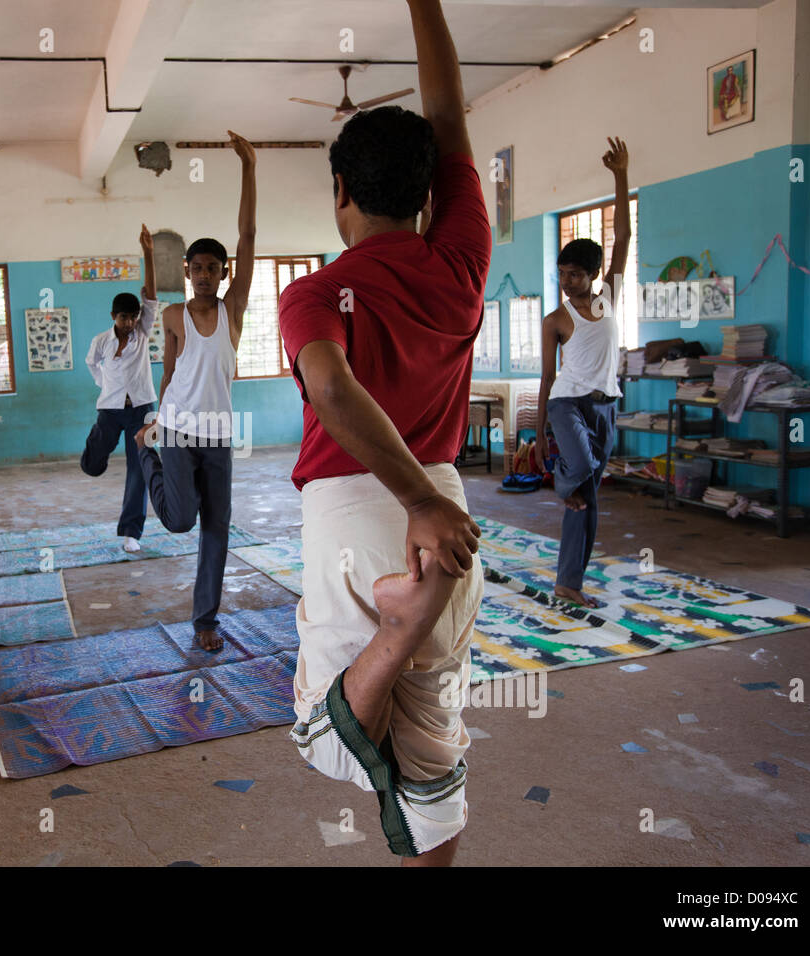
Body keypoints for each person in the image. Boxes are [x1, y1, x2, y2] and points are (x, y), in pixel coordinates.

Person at [277, 0, 489, 865]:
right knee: (431, 741)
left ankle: (395, 628)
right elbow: (449, 117)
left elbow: (329, 385)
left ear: (339, 193)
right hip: (448, 511)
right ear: (434, 192)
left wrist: (411, 505)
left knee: (324, 734)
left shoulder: (315, 294)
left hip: (365, 518)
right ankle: (413, 631)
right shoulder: (462, 259)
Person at [134, 131, 256, 653]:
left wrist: (249, 168)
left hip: (220, 435)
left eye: (213, 268)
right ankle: (146, 458)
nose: (204, 275)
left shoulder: (233, 310)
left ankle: (205, 620)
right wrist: (156, 424)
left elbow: (248, 235)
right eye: (196, 268)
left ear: (224, 273)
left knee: (217, 529)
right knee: (181, 520)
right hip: (179, 430)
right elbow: (169, 371)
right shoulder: (174, 314)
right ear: (186, 273)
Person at [533, 138, 631, 608]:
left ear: (592, 274)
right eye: (562, 273)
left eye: (574, 274)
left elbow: (623, 240)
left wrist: (620, 176)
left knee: (588, 503)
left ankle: (568, 582)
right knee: (582, 473)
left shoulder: (608, 298)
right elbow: (547, 378)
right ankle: (564, 483)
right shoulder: (555, 319)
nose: (567, 281)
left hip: (605, 406)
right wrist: (536, 431)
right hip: (566, 404)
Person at [80, 225, 159, 552]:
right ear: (114, 316)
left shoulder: (142, 333)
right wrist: (105, 385)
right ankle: (92, 459)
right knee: (95, 458)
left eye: (134, 317)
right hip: (110, 409)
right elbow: (91, 364)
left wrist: (149, 253)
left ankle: (131, 533)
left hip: (142, 408)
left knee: (140, 467)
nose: (129, 322)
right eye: (124, 317)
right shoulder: (101, 340)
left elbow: (152, 297)